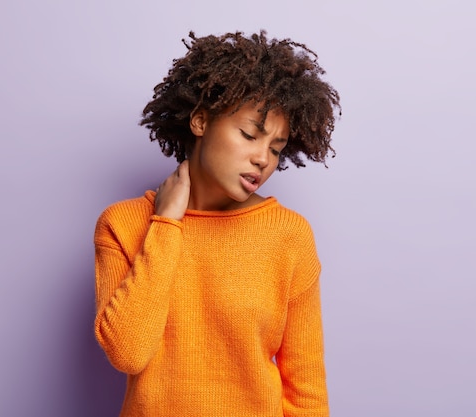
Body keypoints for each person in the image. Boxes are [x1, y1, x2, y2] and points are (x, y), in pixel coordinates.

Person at [94, 30, 340, 416]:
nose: (263, 159)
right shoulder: (122, 224)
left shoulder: (288, 236)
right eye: (249, 135)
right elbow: (128, 353)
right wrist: (166, 223)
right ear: (199, 121)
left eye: (275, 149)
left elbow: (306, 389)